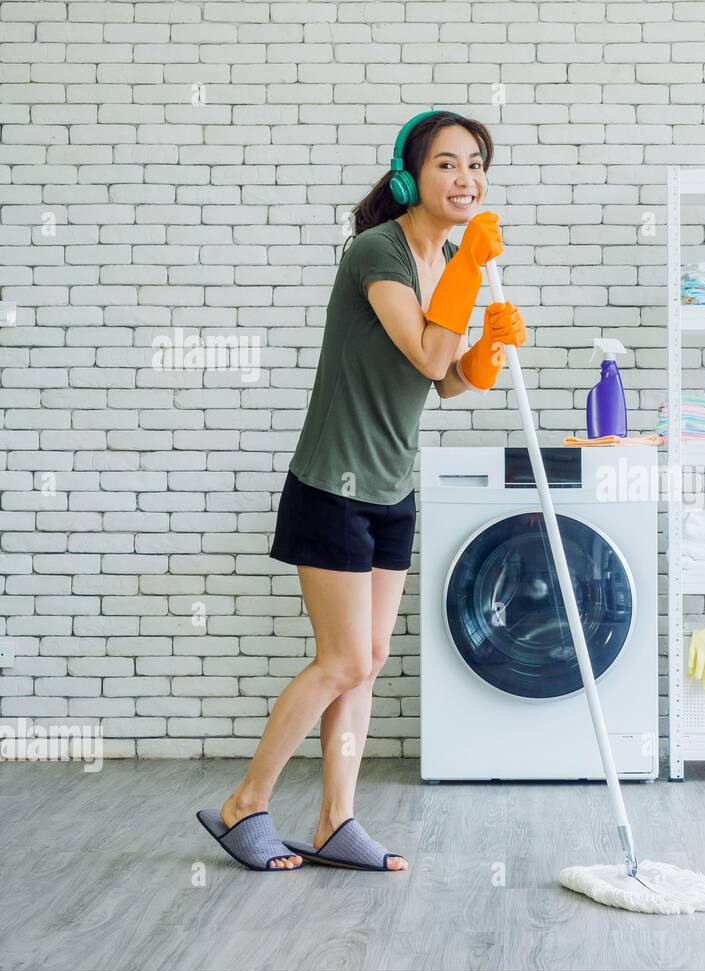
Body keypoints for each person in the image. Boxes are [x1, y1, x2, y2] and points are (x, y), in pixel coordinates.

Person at [196, 111, 526, 871]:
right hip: (332, 484)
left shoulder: (445, 259)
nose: (466, 179)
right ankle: (242, 804)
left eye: (476, 165)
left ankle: (336, 822)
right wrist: (470, 274)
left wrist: (487, 351)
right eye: (447, 164)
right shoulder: (378, 251)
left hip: (388, 483)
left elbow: (439, 377)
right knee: (343, 659)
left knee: (368, 658)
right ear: (412, 176)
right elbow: (419, 343)